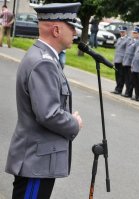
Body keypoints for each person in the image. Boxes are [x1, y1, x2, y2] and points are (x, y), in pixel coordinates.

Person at [5, 3, 83, 199]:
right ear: (56, 30)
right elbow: (49, 114)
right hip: (35, 162)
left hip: (37, 160)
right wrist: (74, 123)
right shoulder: (43, 62)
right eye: (71, 26)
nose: (75, 32)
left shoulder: (45, 57)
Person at [112, 25, 129, 95]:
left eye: (123, 32)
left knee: (121, 76)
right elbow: (116, 50)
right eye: (121, 32)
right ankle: (117, 88)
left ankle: (119, 89)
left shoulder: (128, 40)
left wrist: (124, 60)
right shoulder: (119, 39)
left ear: (126, 32)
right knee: (117, 75)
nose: (122, 33)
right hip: (117, 59)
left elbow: (126, 51)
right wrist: (114, 60)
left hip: (122, 60)